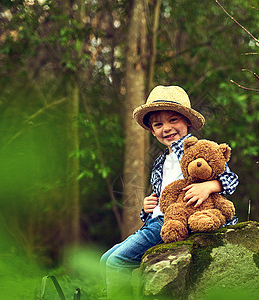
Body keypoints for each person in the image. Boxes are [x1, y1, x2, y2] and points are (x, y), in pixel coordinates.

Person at [100, 85, 239, 298]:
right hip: (157, 220)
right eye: (158, 124)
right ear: (152, 130)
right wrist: (148, 207)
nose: (166, 128)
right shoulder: (160, 161)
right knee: (104, 260)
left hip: (176, 220)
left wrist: (209, 186)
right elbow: (163, 196)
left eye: (173, 120)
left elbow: (231, 179)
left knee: (117, 262)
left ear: (187, 122)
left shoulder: (199, 149)